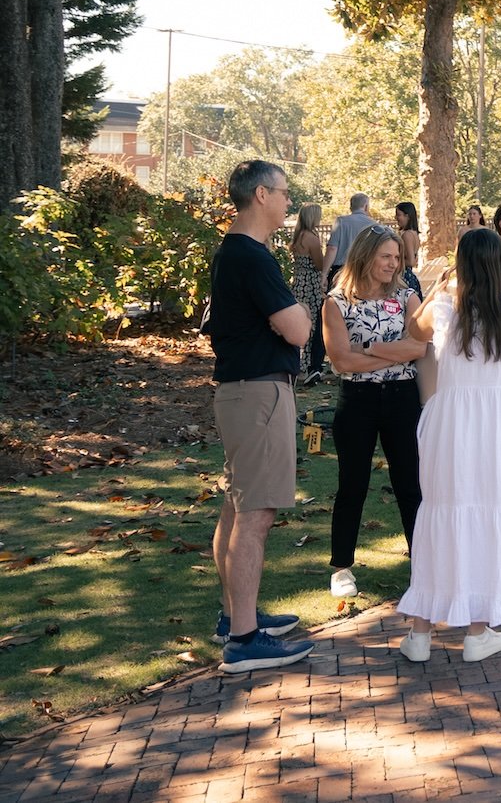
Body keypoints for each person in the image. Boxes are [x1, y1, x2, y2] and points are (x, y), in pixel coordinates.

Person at [396, 228, 501, 663]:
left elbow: (413, 329)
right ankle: (478, 630)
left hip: (451, 423)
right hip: (499, 423)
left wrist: (441, 286)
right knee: (489, 510)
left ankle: (422, 632)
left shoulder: (444, 308)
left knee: (445, 510)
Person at [203, 160, 315, 674]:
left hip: (241, 392)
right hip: (258, 393)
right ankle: (245, 639)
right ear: (262, 195)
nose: (289, 201)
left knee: (237, 506)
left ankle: (236, 618)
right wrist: (302, 317)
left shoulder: (235, 253)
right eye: (285, 193)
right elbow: (298, 330)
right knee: (256, 514)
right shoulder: (250, 257)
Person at [321, 224, 427, 600]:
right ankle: (342, 568)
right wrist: (390, 349)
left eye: (397, 257)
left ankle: (424, 564)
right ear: (366, 256)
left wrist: (368, 350)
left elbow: (419, 348)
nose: (393, 263)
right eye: (386, 256)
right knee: (352, 484)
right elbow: (340, 359)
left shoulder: (407, 296)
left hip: (402, 398)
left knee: (411, 484)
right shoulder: (336, 302)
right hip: (357, 401)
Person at [289, 203, 330, 382]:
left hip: (298, 281)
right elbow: (320, 264)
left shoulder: (298, 236)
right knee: (311, 325)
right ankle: (305, 367)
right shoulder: (312, 238)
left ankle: (296, 364)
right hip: (311, 284)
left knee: (299, 322)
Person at [325, 193, 376, 289]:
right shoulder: (373, 225)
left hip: (340, 271)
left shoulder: (340, 222)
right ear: (366, 207)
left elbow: (332, 248)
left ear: (351, 207)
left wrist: (324, 273)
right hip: (363, 271)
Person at [394, 201, 423, 296]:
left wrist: (395, 261)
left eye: (399, 215)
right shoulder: (414, 233)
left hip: (404, 276)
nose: (396, 218)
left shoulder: (407, 235)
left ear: (407, 216)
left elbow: (411, 261)